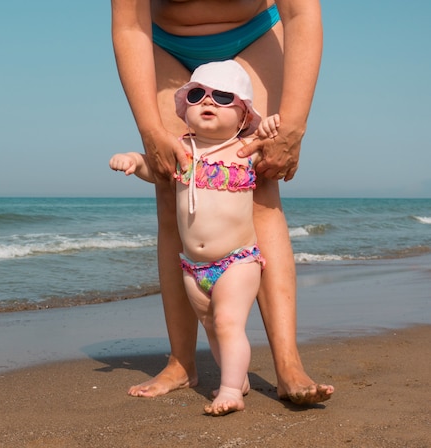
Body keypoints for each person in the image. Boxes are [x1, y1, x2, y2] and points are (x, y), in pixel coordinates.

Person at [111, 0, 334, 404]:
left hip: (253, 34)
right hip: (162, 42)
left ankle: (288, 364)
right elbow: (129, 25)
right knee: (170, 181)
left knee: (260, 182)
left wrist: (294, 126)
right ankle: (181, 362)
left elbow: (302, 13)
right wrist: (149, 130)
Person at [111, 61, 276, 415]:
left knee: (228, 322)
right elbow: (152, 169)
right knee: (212, 327)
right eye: (198, 95)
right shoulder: (182, 149)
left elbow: (272, 145)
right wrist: (132, 161)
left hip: (237, 261)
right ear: (185, 109)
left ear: (244, 114)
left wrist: (273, 128)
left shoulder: (245, 150)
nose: (208, 102)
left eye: (222, 97)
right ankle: (239, 377)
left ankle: (230, 389)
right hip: (193, 267)